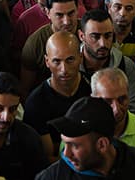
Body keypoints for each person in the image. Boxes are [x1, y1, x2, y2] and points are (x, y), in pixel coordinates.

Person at [36, 96, 135, 179]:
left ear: (102, 144)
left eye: (74, 145)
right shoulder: (53, 177)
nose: (66, 153)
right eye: (65, 143)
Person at [24, 32, 91, 162]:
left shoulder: (95, 90)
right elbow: (46, 157)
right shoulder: (36, 103)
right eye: (57, 61)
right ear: (47, 62)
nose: (64, 69)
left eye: (70, 60)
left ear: (81, 57)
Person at [91, 68, 135, 164]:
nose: (116, 109)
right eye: (107, 102)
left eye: (122, 99)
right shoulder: (81, 133)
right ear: (93, 100)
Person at [78, 9, 135, 115]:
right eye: (95, 36)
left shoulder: (125, 65)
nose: (103, 43)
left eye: (108, 36)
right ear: (82, 36)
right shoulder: (70, 65)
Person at [20, 0, 80, 96]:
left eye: (71, 13)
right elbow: (25, 88)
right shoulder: (35, 43)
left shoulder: (89, 32)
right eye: (59, 15)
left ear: (77, 10)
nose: (66, 21)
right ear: (47, 13)